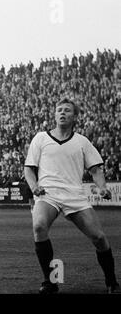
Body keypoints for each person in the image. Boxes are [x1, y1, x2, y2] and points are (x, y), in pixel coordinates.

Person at [24, 98, 120, 294]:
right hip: (47, 194)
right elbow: (29, 169)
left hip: (75, 196)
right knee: (39, 226)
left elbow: (96, 170)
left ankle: (112, 282)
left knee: (99, 238)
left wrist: (101, 187)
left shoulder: (82, 141)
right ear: (54, 114)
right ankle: (51, 282)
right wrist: (34, 186)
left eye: (67, 110)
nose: (62, 113)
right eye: (59, 110)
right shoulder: (40, 138)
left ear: (74, 116)